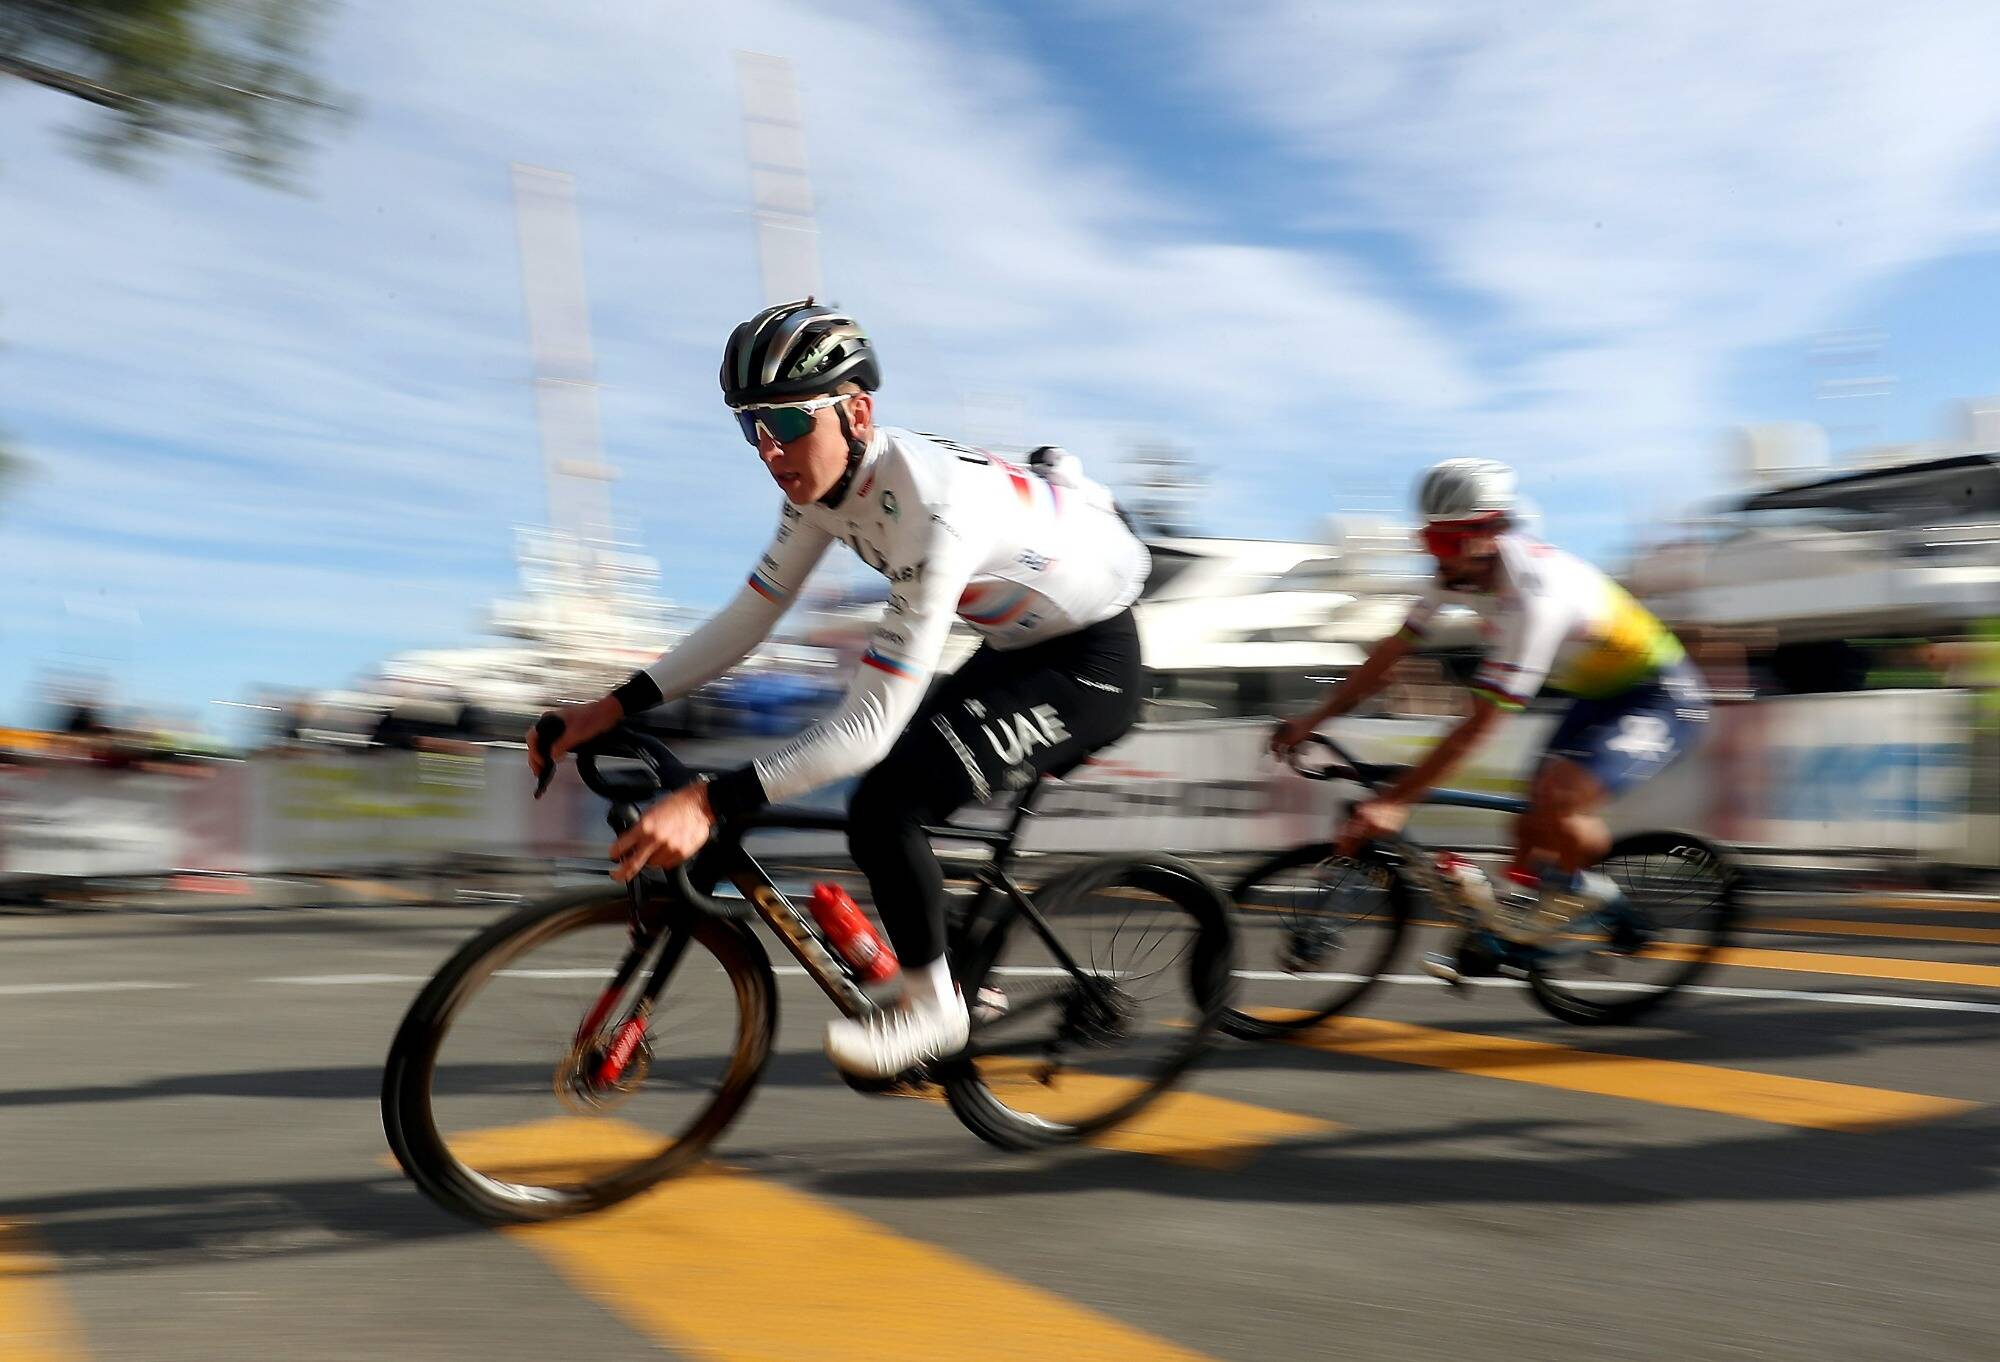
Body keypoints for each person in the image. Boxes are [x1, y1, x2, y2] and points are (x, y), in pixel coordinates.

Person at [530, 300, 1151, 1076]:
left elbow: (868, 730)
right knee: (897, 803)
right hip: (1021, 641)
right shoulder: (820, 493)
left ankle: (934, 1011)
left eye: (787, 423)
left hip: (1091, 661)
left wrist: (711, 801)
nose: (766, 447)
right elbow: (751, 615)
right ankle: (964, 974)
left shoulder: (930, 509)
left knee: (887, 804)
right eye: (748, 425)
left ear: (856, 411)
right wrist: (613, 705)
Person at [1270, 458, 1709, 978]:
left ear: (1491, 532)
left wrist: (1395, 802)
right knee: (1526, 823)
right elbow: (1393, 651)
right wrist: (1314, 718)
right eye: (1430, 542)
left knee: (1559, 804)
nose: (1439, 559)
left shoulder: (1536, 597)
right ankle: (1512, 935)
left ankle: (1599, 898)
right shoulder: (1459, 572)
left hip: (1655, 692)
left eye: (1450, 544)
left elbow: (1481, 722)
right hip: (1593, 692)